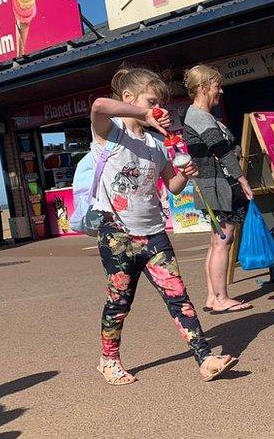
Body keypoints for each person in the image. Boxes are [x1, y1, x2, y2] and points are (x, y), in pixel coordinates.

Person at [90, 67, 238, 385]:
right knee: (119, 301)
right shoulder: (109, 132)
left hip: (154, 231)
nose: (159, 110)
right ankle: (109, 360)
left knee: (178, 296)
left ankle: (205, 359)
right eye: (151, 101)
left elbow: (172, 185)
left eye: (159, 104)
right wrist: (146, 111)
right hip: (116, 232)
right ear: (129, 99)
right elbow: (99, 105)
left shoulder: (157, 144)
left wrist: (187, 171)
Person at [181, 65, 255, 314]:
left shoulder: (198, 115)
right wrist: (242, 179)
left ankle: (213, 296)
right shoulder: (200, 116)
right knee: (224, 240)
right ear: (202, 88)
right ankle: (221, 297)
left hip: (211, 185)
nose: (220, 91)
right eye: (216, 86)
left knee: (216, 241)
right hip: (218, 185)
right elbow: (221, 151)